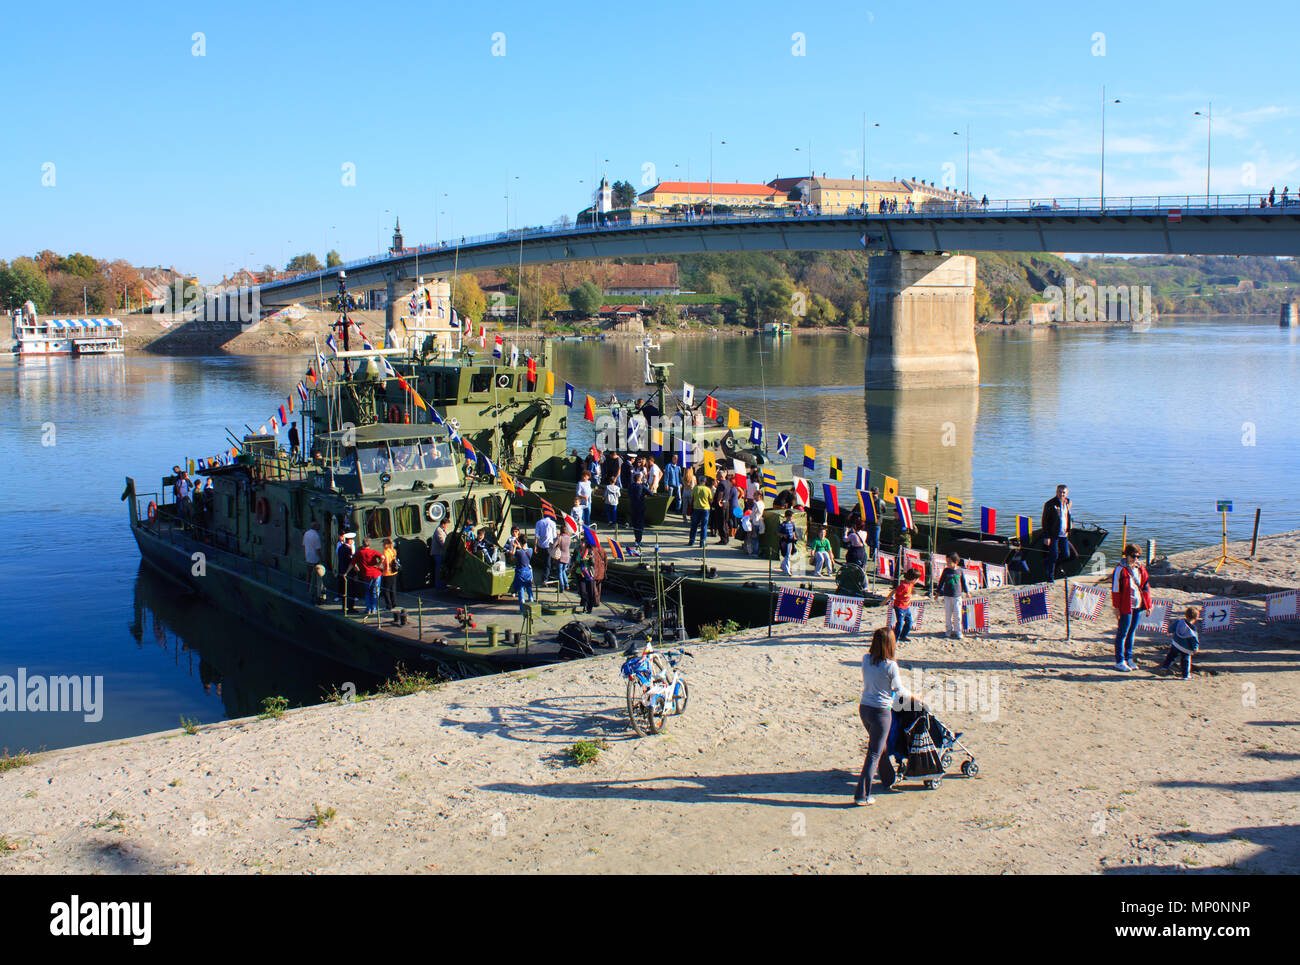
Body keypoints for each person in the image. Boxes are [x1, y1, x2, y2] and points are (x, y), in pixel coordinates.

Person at [854, 626, 920, 805]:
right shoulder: (891, 666)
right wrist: (915, 697)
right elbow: (898, 690)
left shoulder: (866, 659)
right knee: (874, 753)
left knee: (880, 747)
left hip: (864, 708)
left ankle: (888, 778)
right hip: (881, 712)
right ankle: (862, 794)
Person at [1110, 544, 1151, 672]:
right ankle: (1119, 660)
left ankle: (1129, 658)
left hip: (1137, 604)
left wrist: (1148, 605)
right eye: (1134, 556)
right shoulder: (1120, 570)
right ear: (1127, 555)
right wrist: (1116, 607)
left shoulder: (1140, 569)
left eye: (1138, 556)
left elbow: (1145, 586)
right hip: (1126, 605)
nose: (1136, 559)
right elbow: (1115, 589)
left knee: (1132, 632)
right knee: (1122, 632)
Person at [1040, 484, 1074, 582]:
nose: (1061, 494)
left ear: (1067, 493)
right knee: (1053, 555)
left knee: (1066, 555)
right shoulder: (1050, 504)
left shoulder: (1068, 502)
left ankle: (1049, 564)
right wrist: (1046, 536)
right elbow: (1045, 520)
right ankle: (1050, 578)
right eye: (1059, 492)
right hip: (1053, 534)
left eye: (1063, 492)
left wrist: (1069, 528)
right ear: (1056, 492)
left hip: (1064, 534)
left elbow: (1068, 516)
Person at [1159, 606, 1201, 679]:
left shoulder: (1179, 622)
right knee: (1185, 661)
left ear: (1186, 615)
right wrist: (1195, 648)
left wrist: (1169, 632)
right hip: (1186, 648)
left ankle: (1164, 667)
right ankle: (1186, 675)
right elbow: (1194, 640)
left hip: (1176, 644)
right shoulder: (1193, 628)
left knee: (1171, 656)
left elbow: (1171, 627)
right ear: (1195, 618)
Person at [351, 540, 385, 616]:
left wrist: (356, 569)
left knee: (367, 592)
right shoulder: (373, 552)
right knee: (375, 592)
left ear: (363, 544)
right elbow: (383, 557)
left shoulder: (359, 553)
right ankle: (374, 609)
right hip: (376, 574)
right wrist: (378, 565)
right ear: (369, 544)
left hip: (366, 575)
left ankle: (368, 609)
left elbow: (353, 563)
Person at [937, 552, 964, 640]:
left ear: (956, 562)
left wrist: (967, 592)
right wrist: (937, 592)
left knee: (958, 615)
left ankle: (958, 631)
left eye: (949, 562)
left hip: (957, 596)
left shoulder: (960, 570)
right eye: (947, 562)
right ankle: (948, 630)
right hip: (947, 595)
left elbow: (963, 582)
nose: (948, 563)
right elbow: (941, 581)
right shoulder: (946, 571)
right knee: (948, 614)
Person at [579, 532, 607, 613]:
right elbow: (605, 561)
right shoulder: (602, 549)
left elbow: (592, 562)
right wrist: (605, 569)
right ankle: (596, 602)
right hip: (600, 571)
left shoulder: (592, 550)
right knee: (598, 587)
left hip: (593, 572)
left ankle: (594, 602)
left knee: (593, 589)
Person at [892, 568, 922, 643]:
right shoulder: (903, 586)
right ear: (913, 579)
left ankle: (903, 636)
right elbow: (895, 592)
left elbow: (910, 592)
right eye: (917, 579)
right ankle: (894, 640)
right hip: (899, 607)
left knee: (909, 622)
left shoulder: (910, 585)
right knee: (900, 623)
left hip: (906, 607)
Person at [511, 536, 535, 615]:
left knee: (521, 590)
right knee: (529, 589)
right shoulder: (530, 550)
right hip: (528, 571)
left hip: (520, 572)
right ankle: (532, 606)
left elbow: (512, 557)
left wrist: (514, 547)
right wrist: (520, 546)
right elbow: (525, 550)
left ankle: (522, 609)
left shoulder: (518, 552)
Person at [689, 475, 713, 548]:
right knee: (704, 526)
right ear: (705, 482)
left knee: (694, 526)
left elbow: (692, 498)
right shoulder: (708, 489)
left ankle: (691, 541)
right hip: (705, 509)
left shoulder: (695, 488)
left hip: (696, 508)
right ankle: (702, 543)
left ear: (699, 481)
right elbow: (711, 500)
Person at [336, 532, 357, 613]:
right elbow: (351, 562)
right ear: (350, 540)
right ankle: (350, 607)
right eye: (352, 540)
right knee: (350, 590)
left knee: (344, 590)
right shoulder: (348, 550)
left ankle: (344, 606)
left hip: (341, 570)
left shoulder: (341, 548)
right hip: (348, 573)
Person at [535, 509, 558, 582]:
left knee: (543, 561)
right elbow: (554, 536)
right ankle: (546, 578)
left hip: (541, 545)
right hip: (549, 545)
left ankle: (544, 575)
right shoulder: (553, 523)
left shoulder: (538, 522)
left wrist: (535, 546)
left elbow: (536, 535)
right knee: (548, 562)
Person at [428, 517, 450, 588]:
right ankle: (439, 585)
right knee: (439, 569)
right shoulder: (439, 531)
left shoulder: (442, 530)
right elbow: (443, 543)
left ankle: (442, 584)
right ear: (443, 524)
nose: (447, 526)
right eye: (447, 525)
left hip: (440, 553)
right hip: (438, 554)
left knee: (441, 568)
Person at [551, 526, 572, 593]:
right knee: (563, 571)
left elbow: (553, 546)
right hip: (567, 556)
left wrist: (557, 537)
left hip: (560, 556)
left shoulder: (560, 538)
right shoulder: (569, 538)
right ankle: (567, 584)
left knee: (560, 572)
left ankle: (561, 587)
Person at [380, 537, 399, 610]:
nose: (383, 545)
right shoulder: (393, 550)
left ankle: (388, 605)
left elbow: (387, 561)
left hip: (387, 573)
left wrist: (386, 568)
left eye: (384, 543)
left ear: (386, 544)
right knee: (392, 589)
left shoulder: (385, 552)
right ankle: (394, 604)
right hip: (394, 572)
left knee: (386, 590)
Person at [778, 509, 798, 575]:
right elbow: (778, 533)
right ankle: (787, 570)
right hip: (784, 541)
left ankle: (783, 565)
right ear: (787, 517)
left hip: (790, 541)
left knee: (789, 554)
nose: (791, 518)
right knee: (787, 555)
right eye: (790, 516)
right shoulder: (783, 524)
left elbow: (793, 531)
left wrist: (794, 537)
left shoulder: (792, 524)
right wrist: (783, 535)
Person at [865, 488, 882, 559]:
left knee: (869, 540)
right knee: (875, 540)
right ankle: (875, 556)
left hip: (869, 523)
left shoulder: (868, 501)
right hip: (876, 524)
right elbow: (884, 510)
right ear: (878, 493)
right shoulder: (880, 501)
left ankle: (869, 555)